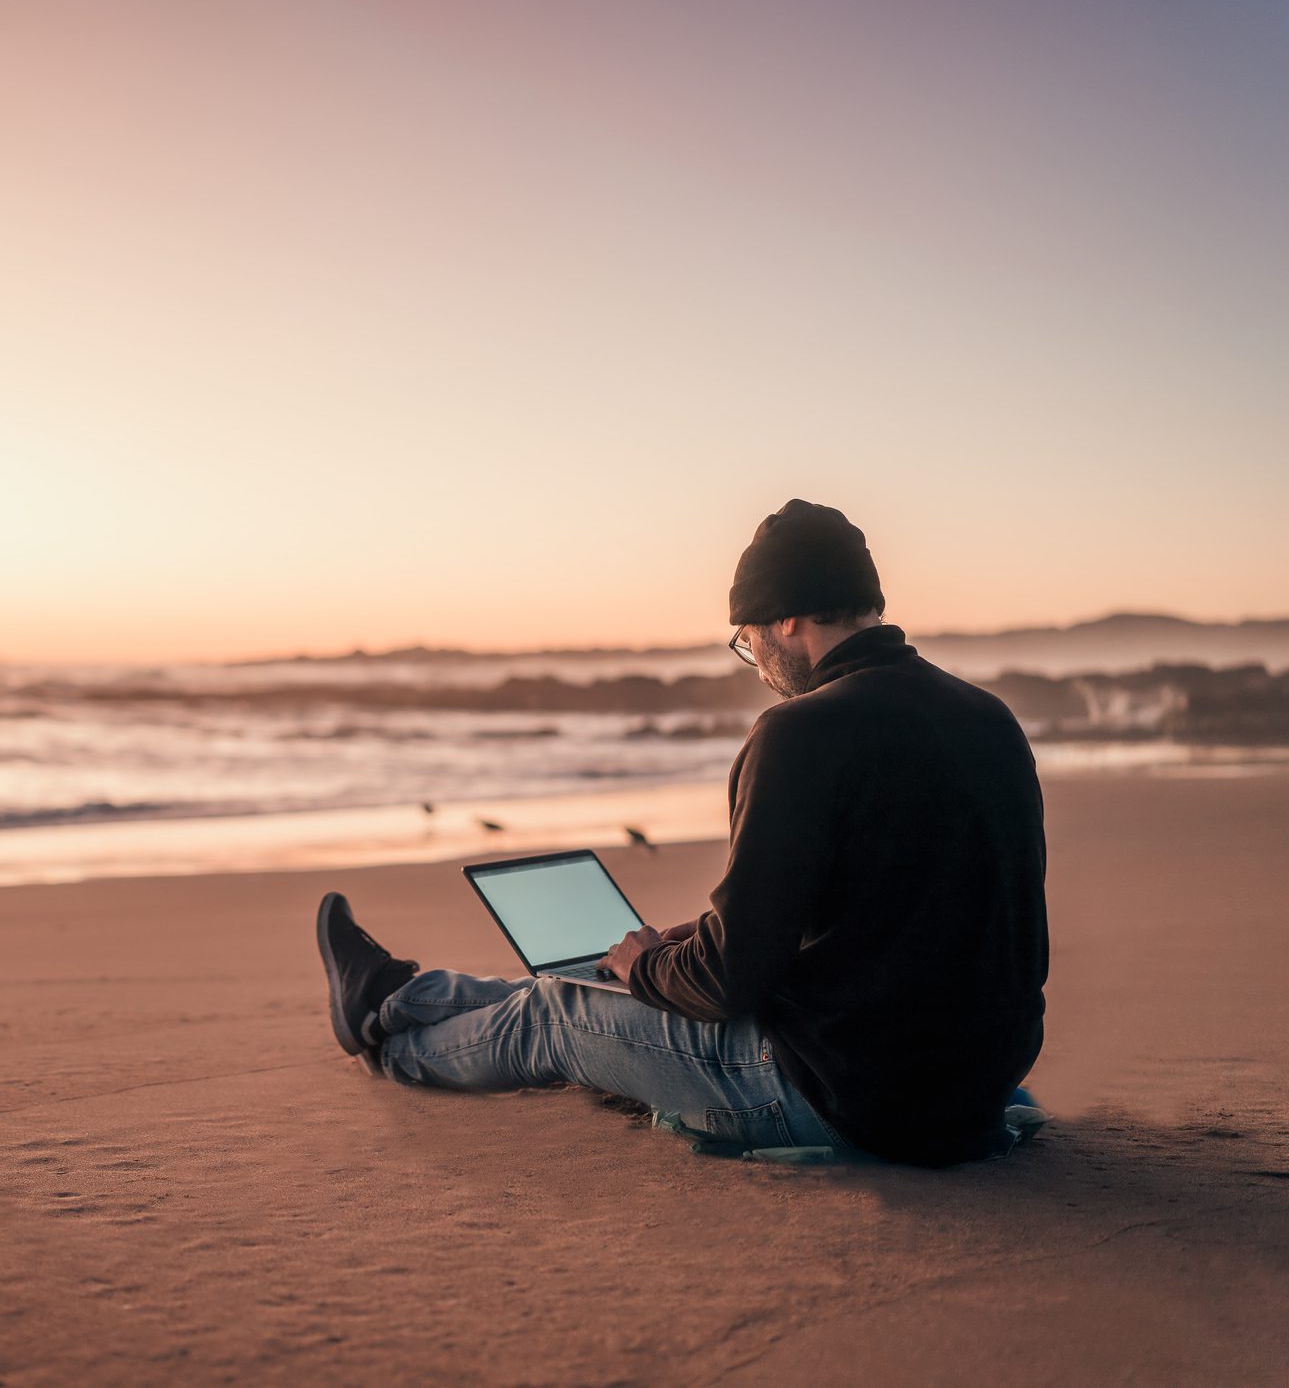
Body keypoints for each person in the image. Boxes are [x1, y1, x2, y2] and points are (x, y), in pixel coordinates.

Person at [318, 499, 1049, 1168]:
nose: (756, 662)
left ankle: (391, 1050)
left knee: (555, 1009)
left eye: (748, 638)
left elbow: (730, 981)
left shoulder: (802, 732)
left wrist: (646, 968)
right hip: (969, 1092)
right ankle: (397, 997)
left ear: (786, 618)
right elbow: (890, 901)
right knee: (600, 977)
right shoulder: (984, 717)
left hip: (848, 1100)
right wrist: (691, 940)